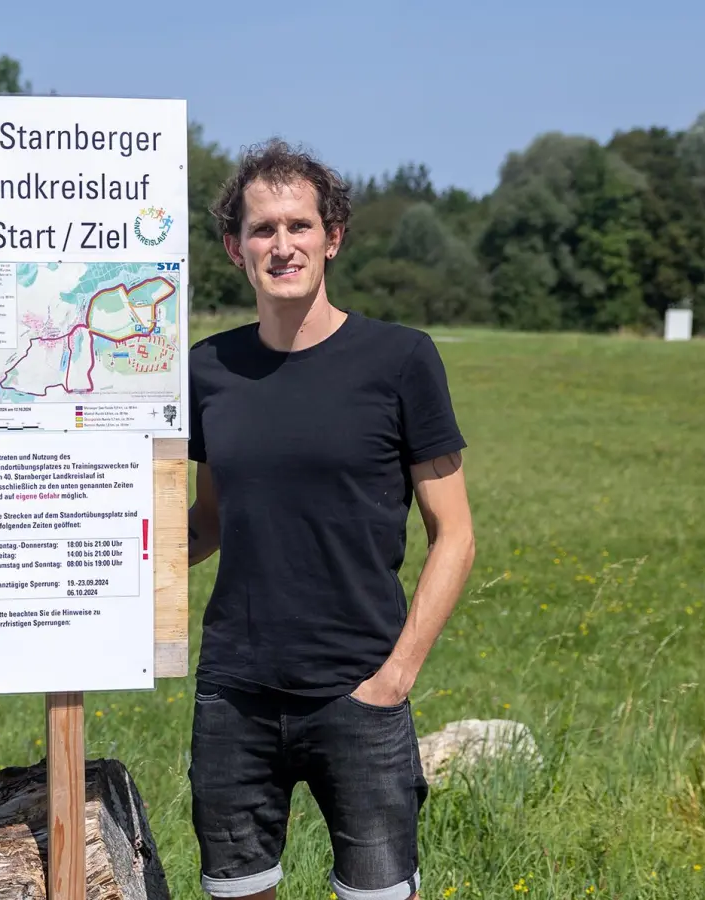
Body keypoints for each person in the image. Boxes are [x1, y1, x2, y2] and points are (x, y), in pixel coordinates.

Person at [183, 140, 476, 900]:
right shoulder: (208, 369)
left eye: (300, 226)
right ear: (234, 247)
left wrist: (395, 677)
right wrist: (98, 566)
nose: (282, 245)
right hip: (235, 694)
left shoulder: (401, 360)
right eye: (262, 230)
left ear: (332, 236)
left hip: (361, 688)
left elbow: (456, 534)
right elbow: (208, 522)